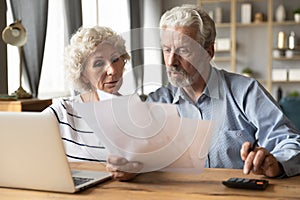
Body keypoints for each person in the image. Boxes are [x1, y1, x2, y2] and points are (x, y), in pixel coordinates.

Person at [145, 4, 300, 178]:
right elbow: (134, 150)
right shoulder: (157, 102)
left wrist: (276, 163)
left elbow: (290, 142)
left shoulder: (246, 92)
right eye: (167, 50)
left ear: (209, 51)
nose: (171, 61)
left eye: (183, 50)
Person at [43, 26, 139, 181]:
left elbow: (149, 163)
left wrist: (135, 169)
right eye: (99, 63)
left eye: (115, 59)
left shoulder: (136, 111)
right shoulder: (62, 112)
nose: (112, 70)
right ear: (84, 75)